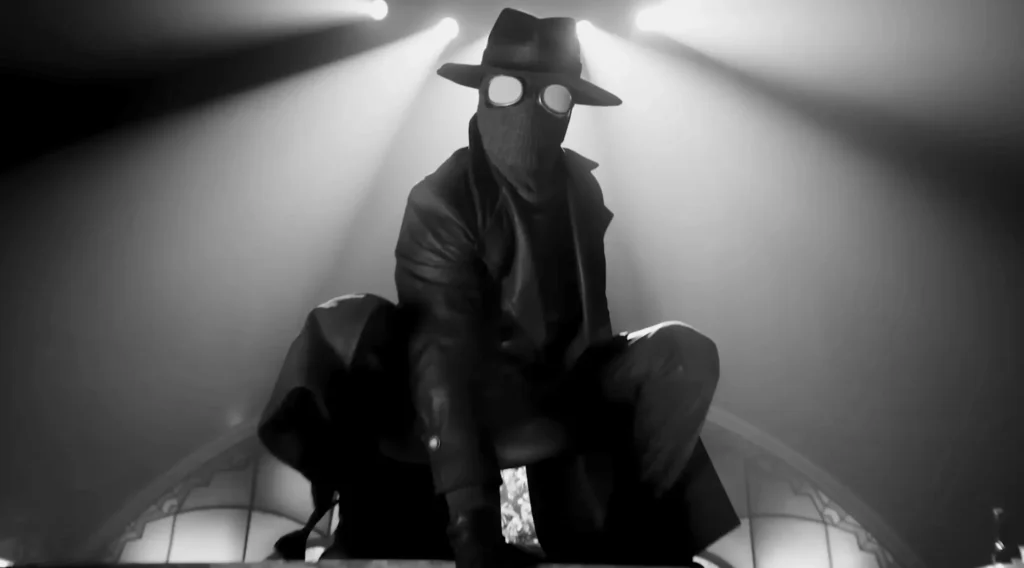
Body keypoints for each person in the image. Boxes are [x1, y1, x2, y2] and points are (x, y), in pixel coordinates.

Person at [258, 8, 739, 568]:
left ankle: (638, 535)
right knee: (363, 331)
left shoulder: (580, 193)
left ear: (570, 107)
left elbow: (590, 327)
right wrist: (473, 526)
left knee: (682, 353)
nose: (530, 112)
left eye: (553, 97)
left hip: (561, 384)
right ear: (483, 94)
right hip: (465, 392)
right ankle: (384, 517)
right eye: (509, 90)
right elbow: (440, 354)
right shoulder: (444, 200)